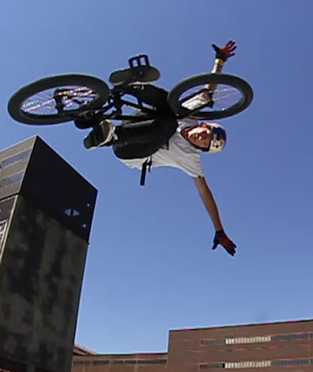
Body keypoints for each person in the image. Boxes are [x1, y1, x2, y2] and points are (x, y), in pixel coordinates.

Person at [83, 41, 240, 256]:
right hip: (136, 124)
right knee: (173, 107)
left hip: (130, 150)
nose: (201, 138)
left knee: (169, 123)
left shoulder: (191, 159)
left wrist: (219, 230)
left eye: (204, 143)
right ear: (203, 125)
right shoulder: (189, 119)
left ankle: (109, 136)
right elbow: (208, 89)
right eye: (206, 133)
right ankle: (130, 86)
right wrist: (219, 60)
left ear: (201, 149)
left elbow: (205, 192)